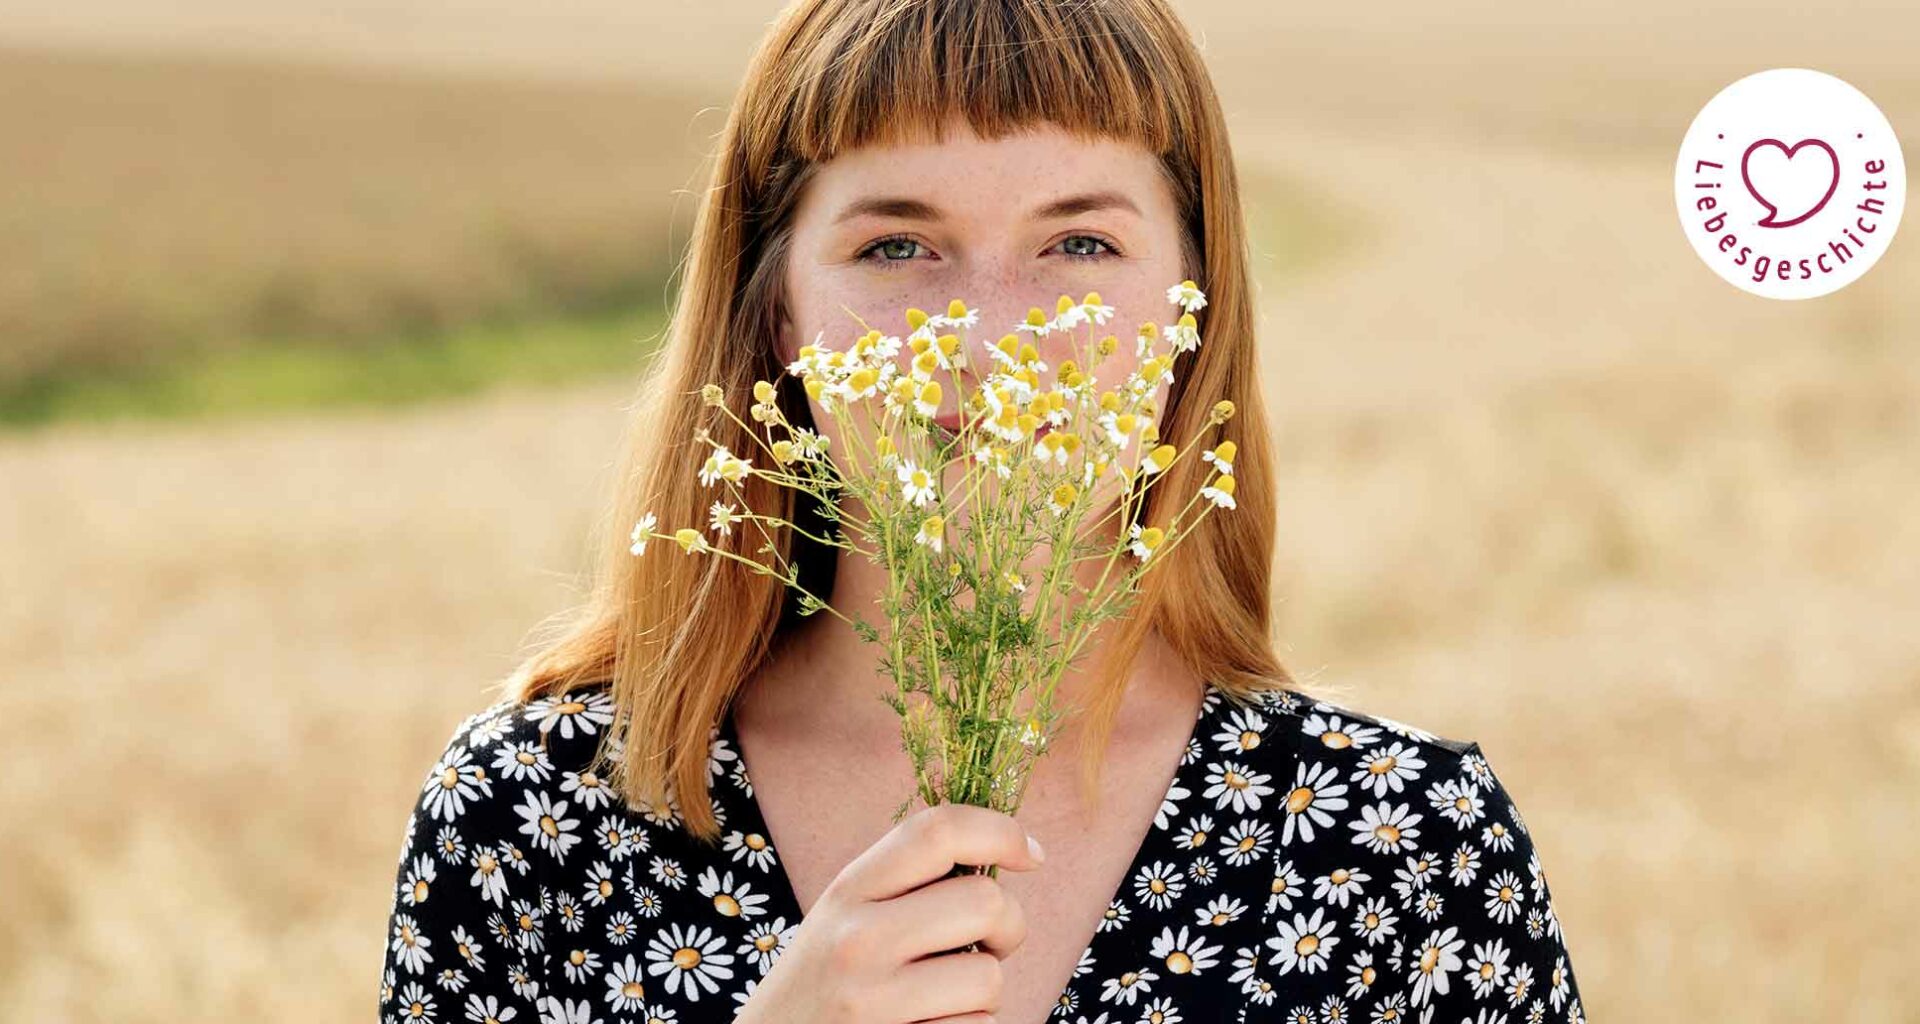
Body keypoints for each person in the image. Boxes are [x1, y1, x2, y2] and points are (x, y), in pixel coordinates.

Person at [375, 1, 1589, 1022]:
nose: (996, 340)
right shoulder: (536, 828)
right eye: (899, 249)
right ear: (781, 317)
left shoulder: (1407, 853)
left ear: (1191, 314)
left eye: (1080, 245)